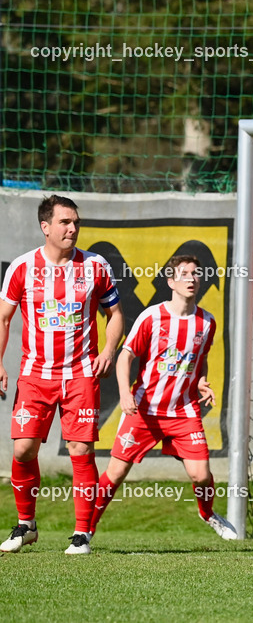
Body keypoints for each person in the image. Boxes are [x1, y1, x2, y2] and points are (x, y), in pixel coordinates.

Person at [0, 195, 124, 554]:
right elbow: (4, 318)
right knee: (23, 449)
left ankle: (82, 534)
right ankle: (26, 526)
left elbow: (115, 314)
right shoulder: (22, 267)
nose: (73, 228)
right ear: (46, 226)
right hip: (34, 375)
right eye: (65, 222)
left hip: (81, 373)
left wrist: (108, 351)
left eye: (76, 222)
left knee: (80, 449)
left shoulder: (96, 265)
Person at [88, 254, 236, 548]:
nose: (191, 279)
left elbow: (200, 359)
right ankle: (86, 531)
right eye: (184, 274)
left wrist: (202, 380)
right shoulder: (152, 317)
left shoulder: (207, 322)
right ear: (170, 282)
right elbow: (125, 357)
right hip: (144, 410)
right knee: (116, 473)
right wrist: (125, 393)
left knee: (201, 475)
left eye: (195, 274)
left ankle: (207, 514)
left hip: (183, 411)